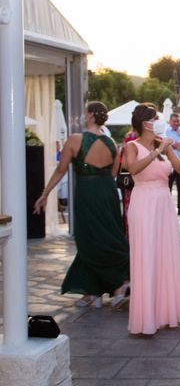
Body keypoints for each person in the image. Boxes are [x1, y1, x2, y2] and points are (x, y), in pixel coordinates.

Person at [34, 101, 129, 308]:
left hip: (87, 193)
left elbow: (61, 170)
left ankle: (117, 283)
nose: (82, 115)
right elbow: (113, 173)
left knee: (88, 239)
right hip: (108, 194)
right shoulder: (112, 142)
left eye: (85, 112)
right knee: (108, 237)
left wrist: (45, 193)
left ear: (91, 116)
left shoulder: (76, 140)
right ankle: (95, 290)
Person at [124, 103, 180, 335]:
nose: (159, 121)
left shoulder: (163, 146)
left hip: (164, 203)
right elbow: (133, 169)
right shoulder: (132, 146)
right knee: (147, 255)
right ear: (146, 123)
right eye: (155, 118)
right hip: (143, 203)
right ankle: (147, 316)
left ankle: (168, 311)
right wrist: (157, 151)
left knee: (166, 254)